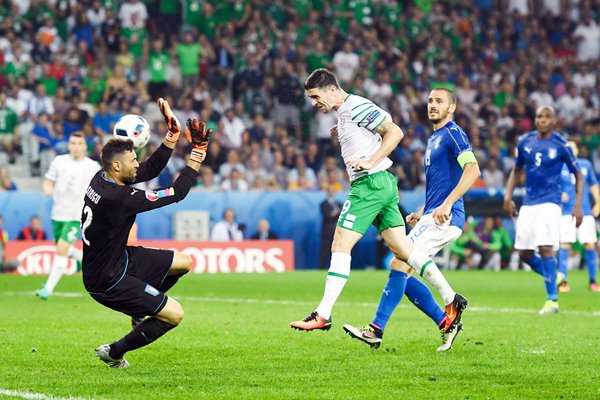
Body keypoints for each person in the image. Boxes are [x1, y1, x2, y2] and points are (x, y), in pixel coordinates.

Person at [290, 69, 467, 338]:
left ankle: (323, 314)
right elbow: (372, 132)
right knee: (403, 251)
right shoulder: (346, 113)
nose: (314, 103)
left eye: (315, 96)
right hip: (382, 184)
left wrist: (370, 161)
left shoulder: (356, 105)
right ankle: (450, 297)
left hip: (370, 184)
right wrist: (346, 132)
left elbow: (394, 132)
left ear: (331, 89)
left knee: (340, 243)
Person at [343, 88, 481, 351]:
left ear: (451, 108)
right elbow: (442, 183)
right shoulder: (434, 138)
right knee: (401, 272)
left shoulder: (453, 132)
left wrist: (448, 204)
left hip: (448, 216)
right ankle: (445, 322)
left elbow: (473, 170)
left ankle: (379, 328)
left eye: (439, 101)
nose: (433, 105)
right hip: (433, 215)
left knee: (398, 263)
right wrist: (426, 211)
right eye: (430, 101)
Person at [84, 98, 211, 368]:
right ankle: (114, 352)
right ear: (118, 166)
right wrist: (198, 151)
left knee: (183, 262)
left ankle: (140, 310)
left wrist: (172, 136)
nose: (137, 164)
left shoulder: (103, 177)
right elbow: (177, 193)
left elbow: (150, 168)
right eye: (132, 160)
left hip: (119, 259)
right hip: (107, 280)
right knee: (174, 314)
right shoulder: (120, 198)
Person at [504, 106, 583, 315]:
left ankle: (552, 301)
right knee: (524, 253)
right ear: (536, 119)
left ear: (554, 121)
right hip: (529, 203)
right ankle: (556, 276)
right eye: (540, 116)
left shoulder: (561, 144)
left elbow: (579, 176)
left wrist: (577, 206)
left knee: (545, 247)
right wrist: (507, 196)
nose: (543, 120)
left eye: (548, 117)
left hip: (551, 202)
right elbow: (516, 170)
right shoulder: (525, 142)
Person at [35, 132, 100, 300]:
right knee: (62, 248)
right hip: (58, 214)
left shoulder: (92, 166)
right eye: (73, 143)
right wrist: (48, 188)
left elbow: (100, 188)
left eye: (79, 143)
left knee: (62, 249)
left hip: (77, 216)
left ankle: (47, 290)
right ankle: (80, 258)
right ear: (69, 145)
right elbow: (48, 181)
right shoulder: (59, 161)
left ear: (85, 146)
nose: (76, 146)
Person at [557, 141, 600, 292]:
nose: (569, 149)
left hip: (585, 211)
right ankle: (563, 282)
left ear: (576, 150)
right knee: (565, 245)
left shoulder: (585, 164)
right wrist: (558, 194)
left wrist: (598, 203)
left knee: (590, 245)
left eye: (572, 147)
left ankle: (593, 282)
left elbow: (594, 184)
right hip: (566, 213)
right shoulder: (559, 166)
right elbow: (552, 185)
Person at [319, 185, 342, 269]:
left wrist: (334, 213)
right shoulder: (323, 204)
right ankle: (321, 269)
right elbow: (327, 216)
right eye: (330, 190)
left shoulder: (339, 204)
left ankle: (337, 269)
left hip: (337, 231)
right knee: (324, 252)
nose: (332, 192)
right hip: (327, 232)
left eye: (333, 190)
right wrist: (336, 213)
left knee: (337, 252)